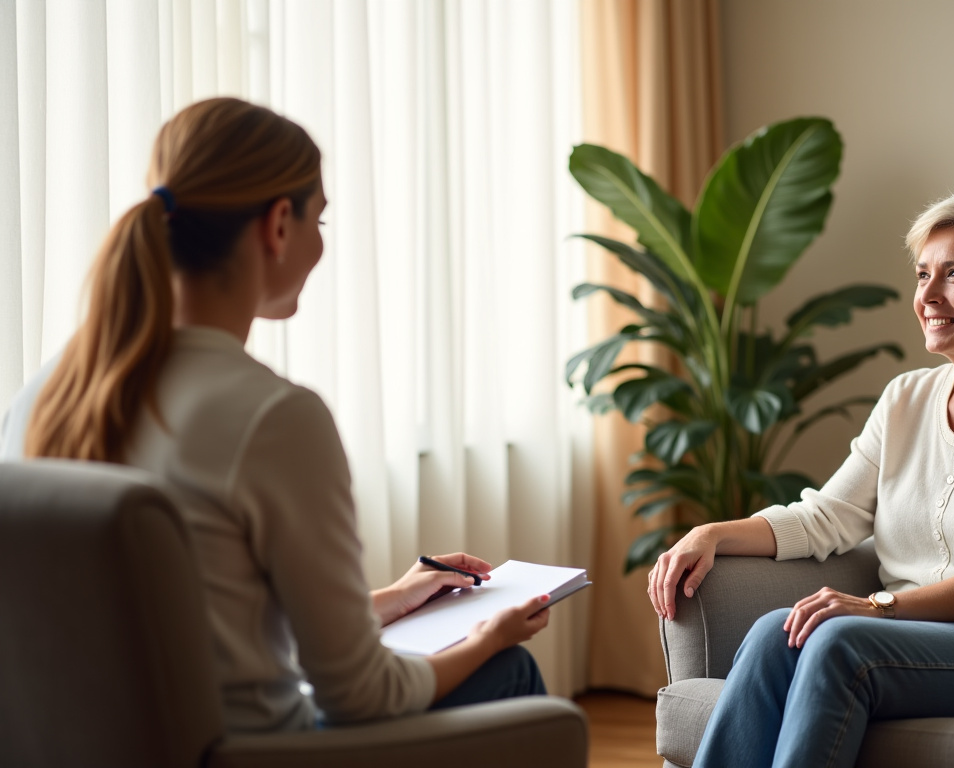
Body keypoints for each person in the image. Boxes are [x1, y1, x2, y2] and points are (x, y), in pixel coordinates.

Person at [0, 97, 550, 732]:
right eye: (320, 219)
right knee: (510, 674)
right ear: (278, 225)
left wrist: (395, 600)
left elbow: (205, 628)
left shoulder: (45, 394)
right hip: (254, 753)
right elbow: (361, 696)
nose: (320, 242)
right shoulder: (272, 417)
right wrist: (486, 637)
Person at [648, 190, 954, 768]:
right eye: (923, 274)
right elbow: (829, 516)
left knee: (841, 642)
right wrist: (713, 533)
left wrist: (880, 607)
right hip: (917, 635)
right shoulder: (907, 398)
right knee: (777, 632)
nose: (928, 296)